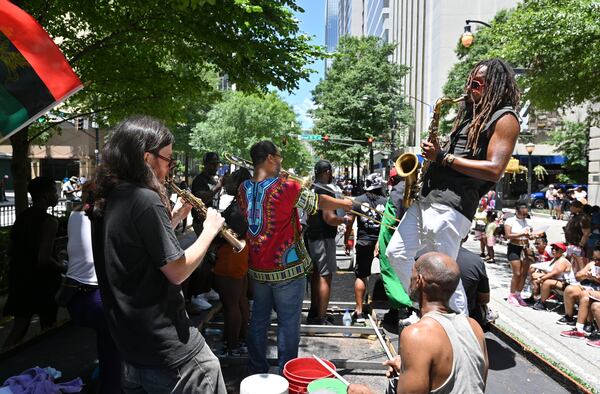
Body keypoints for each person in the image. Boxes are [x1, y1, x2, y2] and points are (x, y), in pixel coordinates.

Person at [89, 116, 227, 393]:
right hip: (171, 351)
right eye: (168, 160)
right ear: (146, 157)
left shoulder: (108, 197)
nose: (168, 168)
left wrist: (173, 219)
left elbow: (134, 248)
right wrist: (209, 231)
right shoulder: (145, 198)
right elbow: (176, 271)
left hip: (131, 346)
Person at [386, 58, 520, 315]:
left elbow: (495, 169)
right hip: (427, 199)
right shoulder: (469, 116)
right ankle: (427, 312)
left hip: (451, 206)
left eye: (477, 84)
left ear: (494, 86)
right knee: (397, 254)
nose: (470, 88)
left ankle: (457, 333)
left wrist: (443, 157)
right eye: (469, 82)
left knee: (445, 278)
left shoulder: (505, 118)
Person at [237, 140, 352, 374]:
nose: (281, 161)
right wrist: (345, 203)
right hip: (288, 269)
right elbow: (317, 203)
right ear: (269, 158)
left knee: (259, 320)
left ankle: (256, 369)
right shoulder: (286, 187)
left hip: (258, 269)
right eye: (279, 156)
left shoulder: (243, 188)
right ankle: (286, 374)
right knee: (288, 324)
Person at [348, 252, 488, 394]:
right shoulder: (474, 327)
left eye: (412, 274)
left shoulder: (417, 335)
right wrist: (409, 365)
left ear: (419, 281)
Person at [62, 182, 122, 393]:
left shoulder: (75, 215)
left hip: (74, 296)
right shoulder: (104, 219)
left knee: (107, 343)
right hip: (97, 299)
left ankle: (105, 374)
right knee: (115, 344)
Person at [2, 177, 62, 350]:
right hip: (43, 284)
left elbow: (10, 250)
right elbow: (43, 259)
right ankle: (47, 369)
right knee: (49, 328)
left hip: (20, 280)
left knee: (19, 328)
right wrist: (63, 267)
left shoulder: (21, 217)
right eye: (54, 191)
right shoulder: (50, 222)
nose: (57, 195)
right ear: (45, 195)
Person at [212, 168, 252, 357]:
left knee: (231, 304)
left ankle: (233, 345)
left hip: (231, 257)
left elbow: (228, 233)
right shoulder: (246, 204)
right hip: (240, 257)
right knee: (240, 301)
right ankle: (241, 338)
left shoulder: (238, 207)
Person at [305, 160, 350, 325]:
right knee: (325, 276)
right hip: (323, 238)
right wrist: (344, 219)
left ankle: (315, 312)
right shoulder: (325, 190)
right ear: (328, 171)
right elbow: (329, 219)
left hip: (312, 236)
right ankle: (321, 317)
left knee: (316, 275)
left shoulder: (311, 189)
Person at [344, 173, 387, 324]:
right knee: (387, 274)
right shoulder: (386, 201)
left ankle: (359, 311)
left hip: (363, 241)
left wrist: (346, 239)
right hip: (381, 242)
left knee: (361, 275)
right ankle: (389, 309)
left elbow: (349, 222)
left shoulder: (358, 201)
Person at [377, 162, 413, 326]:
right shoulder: (406, 189)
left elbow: (393, 219)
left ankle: (400, 308)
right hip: (402, 238)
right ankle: (400, 308)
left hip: (394, 239)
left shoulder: (399, 190)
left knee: (392, 273)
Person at [504, 202, 536, 307]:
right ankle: (511, 295)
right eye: (522, 213)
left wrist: (531, 236)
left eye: (526, 214)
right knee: (516, 273)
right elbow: (508, 235)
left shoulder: (528, 222)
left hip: (525, 247)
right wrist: (522, 234)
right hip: (514, 247)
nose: (524, 216)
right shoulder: (510, 221)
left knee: (524, 273)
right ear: (517, 212)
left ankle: (518, 294)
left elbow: (530, 235)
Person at [456, 245, 490, 328]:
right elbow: (484, 299)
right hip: (465, 317)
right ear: (465, 237)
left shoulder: (421, 255)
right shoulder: (476, 260)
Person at [531, 242, 572, 310]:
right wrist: (533, 267)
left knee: (547, 282)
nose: (553, 250)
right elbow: (547, 268)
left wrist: (540, 279)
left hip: (566, 283)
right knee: (534, 275)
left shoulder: (562, 260)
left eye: (556, 249)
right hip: (558, 280)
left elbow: (554, 273)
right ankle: (534, 297)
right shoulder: (555, 259)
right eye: (553, 248)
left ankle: (542, 303)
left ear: (562, 251)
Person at [191, 152, 222, 235]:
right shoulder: (199, 180)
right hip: (201, 223)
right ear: (205, 164)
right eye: (213, 164)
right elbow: (201, 200)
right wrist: (218, 186)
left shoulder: (211, 180)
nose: (216, 167)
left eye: (217, 164)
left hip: (210, 221)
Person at [564, 200, 591, 273]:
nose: (570, 208)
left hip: (578, 246)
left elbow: (586, 232)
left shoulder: (583, 218)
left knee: (579, 264)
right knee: (571, 264)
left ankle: (581, 279)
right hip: (571, 244)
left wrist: (581, 245)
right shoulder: (574, 216)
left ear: (578, 208)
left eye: (573, 207)